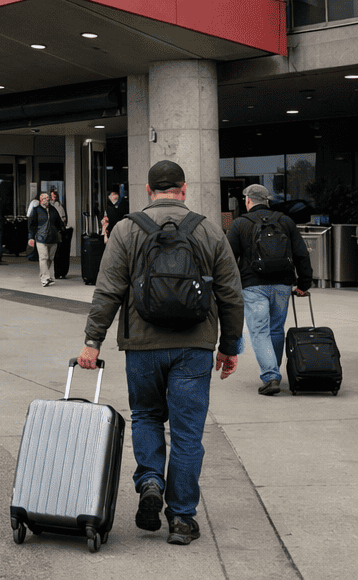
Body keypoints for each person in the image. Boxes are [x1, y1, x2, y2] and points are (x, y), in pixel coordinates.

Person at [77, 160, 243, 546]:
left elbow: (108, 290)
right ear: (183, 190)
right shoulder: (208, 229)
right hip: (194, 346)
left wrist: (92, 340)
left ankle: (151, 478)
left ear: (148, 191)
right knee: (188, 434)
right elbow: (231, 296)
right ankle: (182, 518)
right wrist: (229, 347)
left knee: (147, 415)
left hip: (143, 346)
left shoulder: (126, 229)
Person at [226, 183, 313, 396]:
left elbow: (228, 259)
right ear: (267, 201)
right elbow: (302, 254)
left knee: (259, 331)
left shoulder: (240, 224)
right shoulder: (285, 221)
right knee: (275, 329)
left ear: (248, 201)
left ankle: (271, 376)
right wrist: (304, 284)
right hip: (283, 284)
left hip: (253, 285)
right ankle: (272, 371)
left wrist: (228, 288)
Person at [27, 191, 63, 286]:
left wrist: (61, 230)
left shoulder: (53, 210)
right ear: (40, 200)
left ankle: (43, 274)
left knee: (50, 258)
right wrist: (31, 237)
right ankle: (45, 279)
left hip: (53, 238)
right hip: (41, 238)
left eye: (46, 198)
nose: (45, 200)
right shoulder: (36, 210)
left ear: (49, 199)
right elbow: (31, 225)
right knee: (43, 257)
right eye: (43, 198)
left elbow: (59, 222)